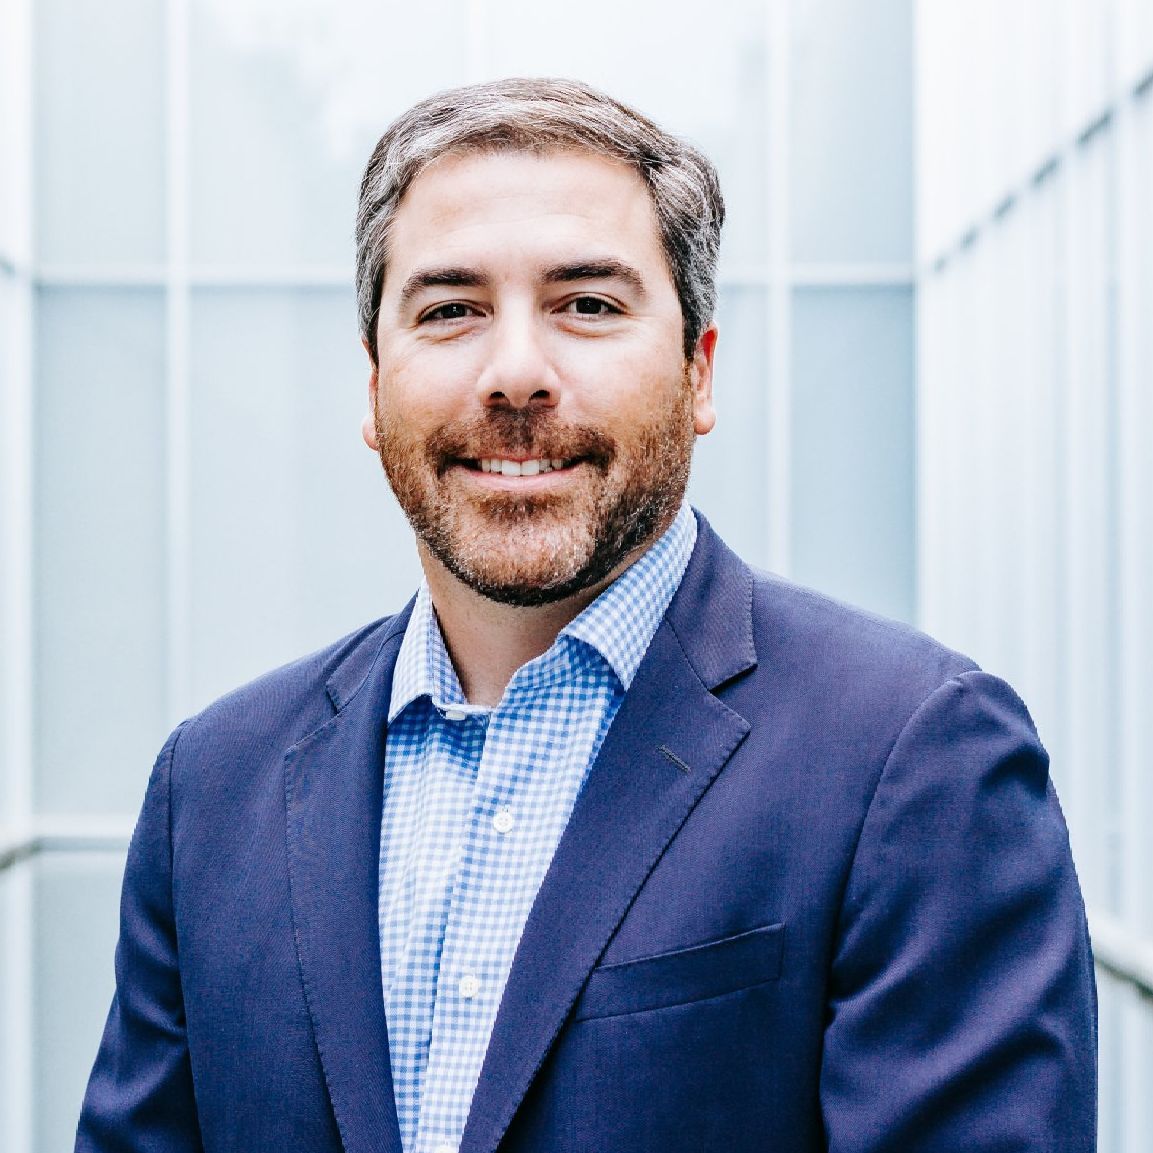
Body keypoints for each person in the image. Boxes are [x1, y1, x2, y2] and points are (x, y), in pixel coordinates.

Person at [76, 78, 1096, 1153]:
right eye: (450, 309)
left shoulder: (918, 757)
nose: (516, 373)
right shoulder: (214, 785)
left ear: (699, 373)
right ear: (374, 385)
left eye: (589, 304)